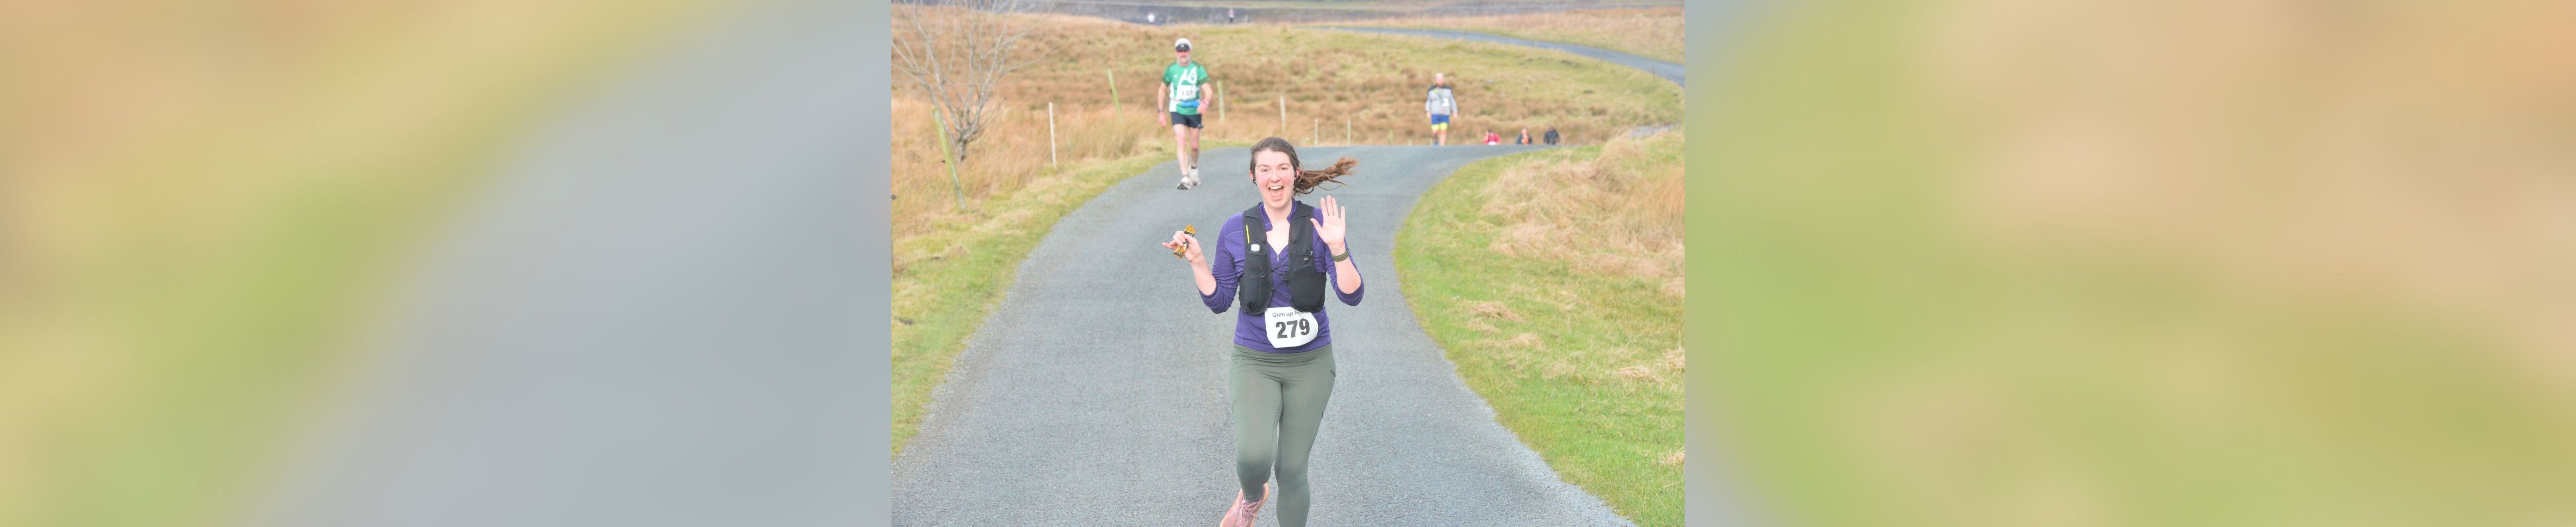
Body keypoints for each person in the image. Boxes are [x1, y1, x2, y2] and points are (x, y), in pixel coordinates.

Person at [1161, 137, 1363, 527]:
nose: (1275, 177)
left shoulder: (1320, 227)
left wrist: (1337, 248)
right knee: (1254, 458)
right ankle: (1252, 497)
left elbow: (1352, 295)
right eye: (1265, 170)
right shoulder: (1236, 229)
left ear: (1295, 174)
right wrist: (1198, 262)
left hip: (1311, 364)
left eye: (1283, 168)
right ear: (1253, 177)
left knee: (1291, 470)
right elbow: (1219, 301)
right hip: (1255, 361)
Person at [1162, 38, 1212, 189]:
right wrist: (1160, 111)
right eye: (1180, 51)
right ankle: (1185, 176)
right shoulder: (1171, 69)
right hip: (1177, 109)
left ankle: (1194, 167)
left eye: (1185, 51)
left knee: (1195, 145)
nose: (1183, 54)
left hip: (1194, 110)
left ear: (1190, 52)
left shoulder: (1198, 68)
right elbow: (1162, 88)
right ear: (1176, 53)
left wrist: (1206, 102)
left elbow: (1208, 89)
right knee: (1182, 141)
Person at [1423, 73, 1456, 145]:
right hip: (1435, 113)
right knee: (1435, 131)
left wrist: (1455, 111)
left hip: (1445, 113)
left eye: (1441, 79)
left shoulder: (1448, 89)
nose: (1440, 81)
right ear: (1436, 80)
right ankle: (1436, 142)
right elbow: (1429, 101)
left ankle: (1442, 147)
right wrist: (1428, 111)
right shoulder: (1432, 90)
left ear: (1444, 80)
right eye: (1438, 80)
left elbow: (1452, 101)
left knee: (1443, 131)